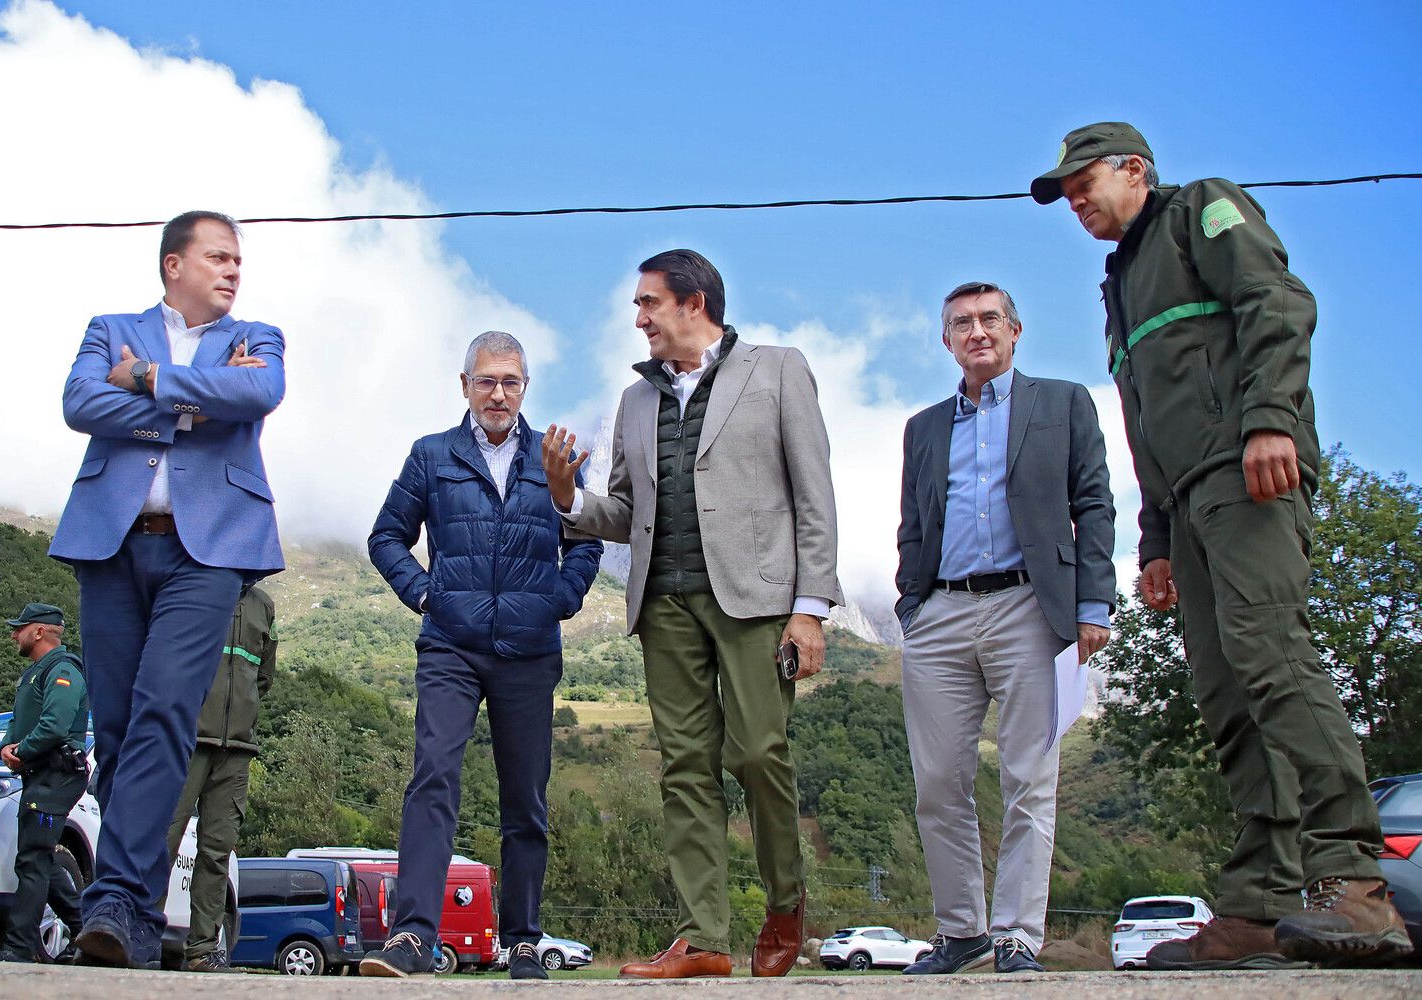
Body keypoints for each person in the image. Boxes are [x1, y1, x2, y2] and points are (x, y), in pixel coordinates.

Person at [1033, 122, 1411, 968]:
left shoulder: (1200, 210)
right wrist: (1155, 537)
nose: (1077, 203)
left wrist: (1272, 416)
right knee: (1226, 691)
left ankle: (1357, 881)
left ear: (1135, 168)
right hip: (1189, 499)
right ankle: (1260, 902)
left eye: (1085, 183)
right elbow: (1144, 419)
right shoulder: (1120, 281)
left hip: (1250, 470)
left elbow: (1278, 305)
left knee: (1270, 654)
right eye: (1066, 197)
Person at [542, 250, 843, 979]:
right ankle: (703, 937)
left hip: (757, 600)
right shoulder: (634, 401)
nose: (639, 319)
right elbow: (621, 510)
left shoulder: (777, 370)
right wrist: (565, 497)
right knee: (685, 768)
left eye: (649, 304)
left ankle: (785, 903)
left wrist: (810, 611)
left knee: (758, 754)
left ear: (696, 302)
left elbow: (814, 494)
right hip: (664, 604)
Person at [49, 210, 286, 969]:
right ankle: (137, 916)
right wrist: (194, 404)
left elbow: (259, 395)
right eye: (218, 257)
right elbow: (82, 403)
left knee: (162, 712)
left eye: (238, 261)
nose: (233, 271)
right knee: (115, 728)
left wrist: (148, 381)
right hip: (112, 543)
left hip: (208, 553)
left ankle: (113, 897)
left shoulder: (258, 339)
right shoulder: (108, 326)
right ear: (172, 264)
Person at [362, 332, 603, 980]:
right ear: (464, 384)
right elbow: (386, 536)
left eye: (511, 382)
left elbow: (585, 542)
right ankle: (412, 937)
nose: (499, 393)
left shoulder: (557, 461)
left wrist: (561, 599)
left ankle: (523, 940)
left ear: (526, 388)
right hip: (451, 647)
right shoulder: (431, 456)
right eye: (487, 380)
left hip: (529, 652)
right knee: (433, 779)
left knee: (524, 799)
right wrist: (424, 596)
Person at [894, 282, 1115, 975]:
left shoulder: (1063, 402)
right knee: (938, 782)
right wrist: (911, 602)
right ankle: (962, 934)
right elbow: (913, 524)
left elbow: (1095, 501)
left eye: (990, 319)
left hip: (1030, 606)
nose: (977, 331)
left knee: (1029, 777)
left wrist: (1092, 605)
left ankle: (1017, 935)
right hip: (941, 613)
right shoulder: (924, 427)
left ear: (1015, 331)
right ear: (946, 341)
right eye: (961, 323)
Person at [163, 584, 277, 972]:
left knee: (217, 851)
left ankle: (201, 951)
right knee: (164, 838)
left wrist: (243, 715)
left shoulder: (264, 606)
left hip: (236, 751)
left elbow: (264, 676)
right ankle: (138, 933)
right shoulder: (198, 587)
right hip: (188, 741)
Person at [0, 603, 90, 964]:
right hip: (39, 775)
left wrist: (23, 751)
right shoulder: (34, 673)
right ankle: (87, 931)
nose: (14, 634)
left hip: (56, 776)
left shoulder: (62, 670)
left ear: (39, 631)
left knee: (32, 859)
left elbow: (55, 726)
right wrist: (6, 748)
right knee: (39, 857)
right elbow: (18, 720)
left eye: (19, 627)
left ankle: (19, 948)